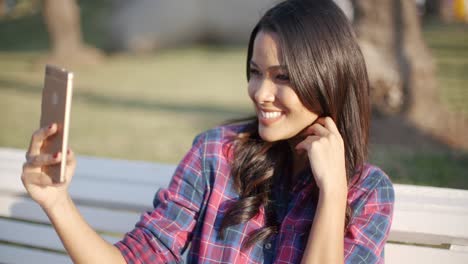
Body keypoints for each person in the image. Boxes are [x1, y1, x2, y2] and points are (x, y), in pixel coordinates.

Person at [21, 0, 394, 263]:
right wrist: (57, 202)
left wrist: (332, 191)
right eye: (255, 72)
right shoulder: (216, 154)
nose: (260, 94)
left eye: (283, 77)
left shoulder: (367, 194)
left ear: (327, 78)